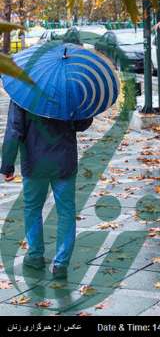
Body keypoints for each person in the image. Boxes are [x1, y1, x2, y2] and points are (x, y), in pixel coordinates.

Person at [0, 100, 92, 279]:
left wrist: (7, 165)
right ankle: (61, 264)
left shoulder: (22, 93)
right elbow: (82, 124)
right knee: (66, 212)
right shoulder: (69, 90)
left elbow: (14, 130)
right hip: (64, 161)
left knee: (32, 208)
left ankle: (35, 255)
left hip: (35, 163)